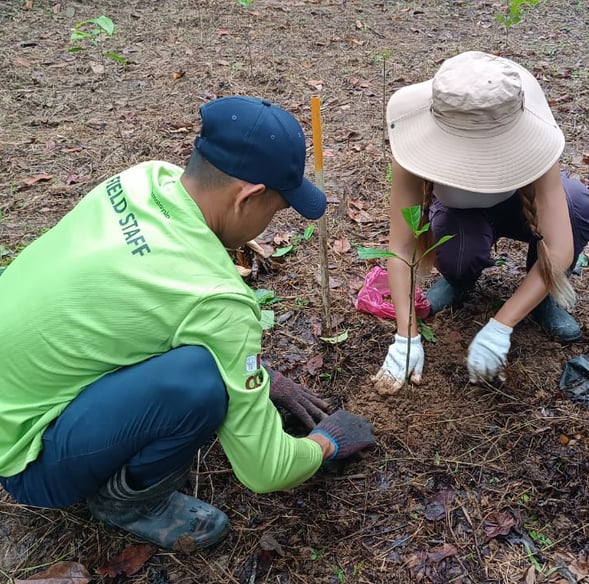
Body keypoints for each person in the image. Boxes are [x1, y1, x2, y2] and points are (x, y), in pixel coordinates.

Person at [0, 96, 376, 551]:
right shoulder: (218, 299)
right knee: (200, 382)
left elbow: (138, 305)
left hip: (15, 399)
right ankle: (129, 503)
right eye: (276, 210)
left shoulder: (141, 179)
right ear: (248, 197)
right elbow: (267, 470)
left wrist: (262, 377)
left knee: (202, 365)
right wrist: (326, 443)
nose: (270, 223)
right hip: (28, 462)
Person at [373, 51, 589, 394]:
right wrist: (406, 336)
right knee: (459, 253)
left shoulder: (533, 138)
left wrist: (501, 325)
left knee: (577, 204)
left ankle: (544, 295)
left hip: (518, 208)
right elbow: (402, 245)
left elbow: (561, 247)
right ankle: (459, 279)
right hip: (462, 215)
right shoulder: (413, 145)